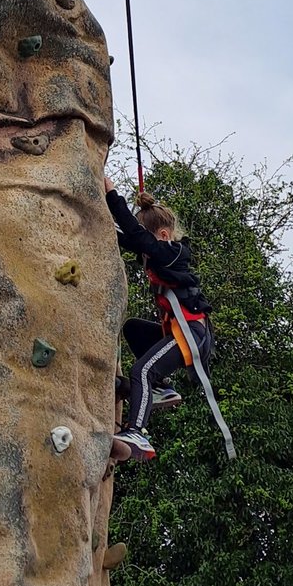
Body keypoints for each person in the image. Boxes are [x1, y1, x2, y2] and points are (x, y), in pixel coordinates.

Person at [105, 176, 213, 461]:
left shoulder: (173, 253)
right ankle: (163, 389)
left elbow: (138, 237)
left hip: (190, 334)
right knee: (134, 329)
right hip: (177, 332)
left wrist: (113, 196)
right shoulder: (159, 253)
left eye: (148, 239)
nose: (144, 253)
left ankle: (137, 433)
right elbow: (128, 238)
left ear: (163, 235)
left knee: (141, 371)